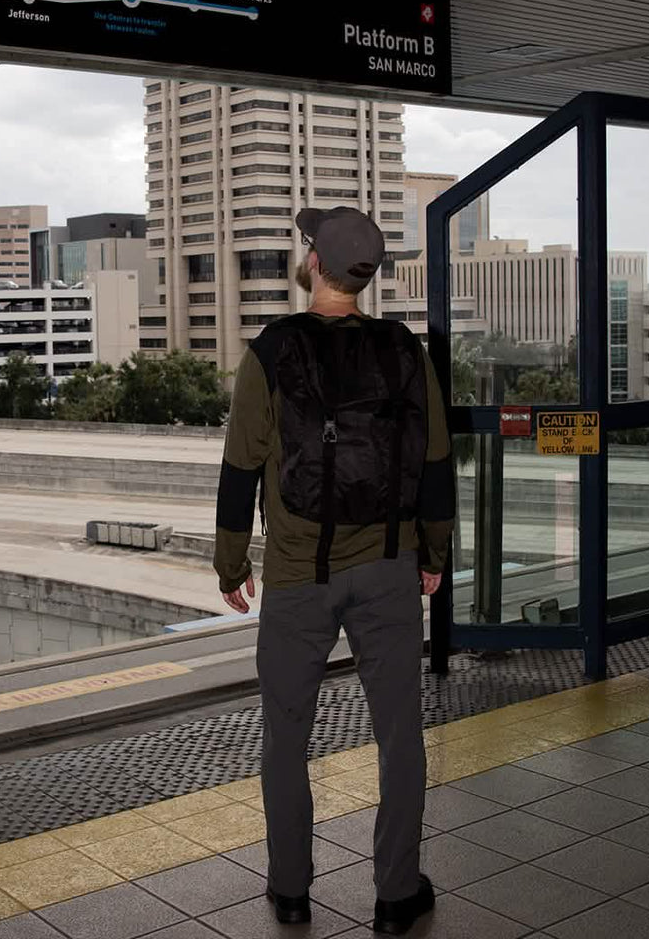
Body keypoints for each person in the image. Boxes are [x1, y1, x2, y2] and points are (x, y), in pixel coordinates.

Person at [213, 206, 454, 935]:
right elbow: (435, 459)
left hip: (295, 573)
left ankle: (290, 890)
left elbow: (239, 465)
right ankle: (395, 892)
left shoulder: (274, 349)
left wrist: (230, 563)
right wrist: (434, 555)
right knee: (399, 734)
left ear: (313, 262)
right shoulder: (403, 348)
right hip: (388, 567)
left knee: (286, 735)